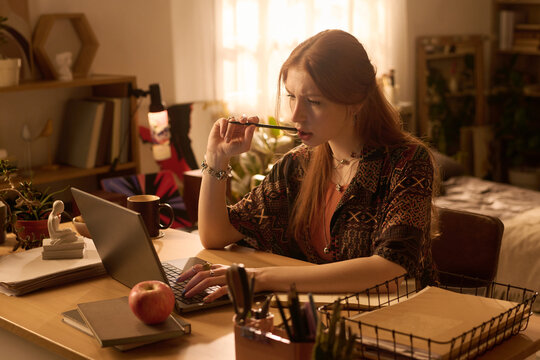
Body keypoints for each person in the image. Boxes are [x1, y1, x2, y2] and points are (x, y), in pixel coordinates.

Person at [177, 29, 437, 303]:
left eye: (313, 101)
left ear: (356, 102)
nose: (295, 115)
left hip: (400, 324)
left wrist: (260, 278)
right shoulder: (297, 164)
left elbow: (390, 269)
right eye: (291, 96)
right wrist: (216, 159)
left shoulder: (407, 162)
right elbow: (215, 235)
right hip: (319, 320)